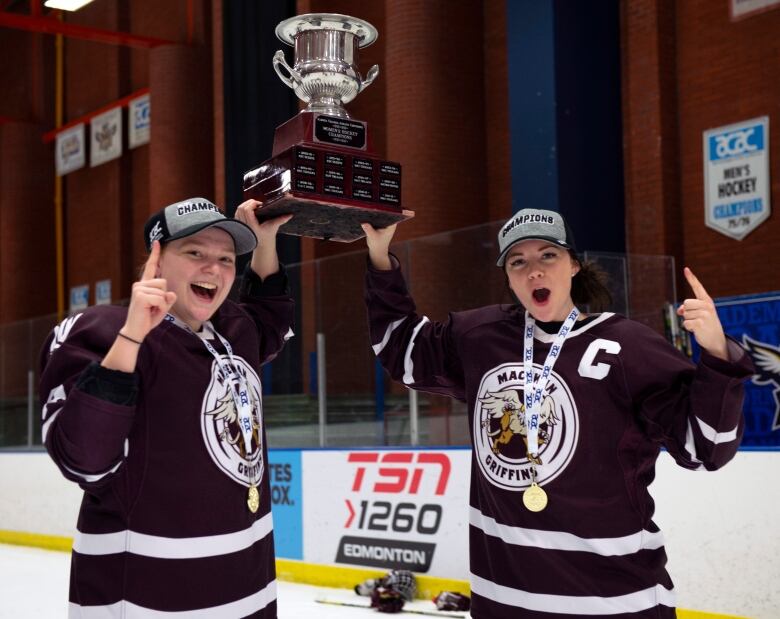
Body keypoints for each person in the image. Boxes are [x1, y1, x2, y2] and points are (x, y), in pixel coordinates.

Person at [361, 208, 754, 619]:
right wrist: (380, 258)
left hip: (615, 604)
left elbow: (706, 448)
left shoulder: (626, 346)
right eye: (518, 262)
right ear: (509, 278)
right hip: (504, 604)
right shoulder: (482, 337)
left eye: (547, 255)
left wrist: (716, 354)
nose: (534, 271)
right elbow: (403, 351)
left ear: (573, 265)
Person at [40, 197, 293, 617]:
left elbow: (270, 318)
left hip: (250, 592)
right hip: (150, 598)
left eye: (227, 258)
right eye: (195, 253)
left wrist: (264, 242)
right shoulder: (102, 332)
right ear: (156, 260)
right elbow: (82, 459)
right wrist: (133, 334)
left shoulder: (233, 332)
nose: (214, 268)